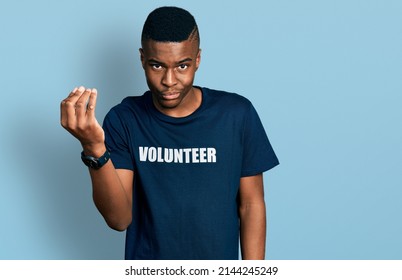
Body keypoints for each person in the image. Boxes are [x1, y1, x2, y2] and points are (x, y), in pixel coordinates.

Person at [60, 6, 279, 260]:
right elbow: (119, 219)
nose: (169, 80)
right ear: (142, 59)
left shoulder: (236, 115)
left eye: (182, 66)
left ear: (197, 59)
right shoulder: (124, 119)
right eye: (157, 66)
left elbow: (251, 204)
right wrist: (94, 148)